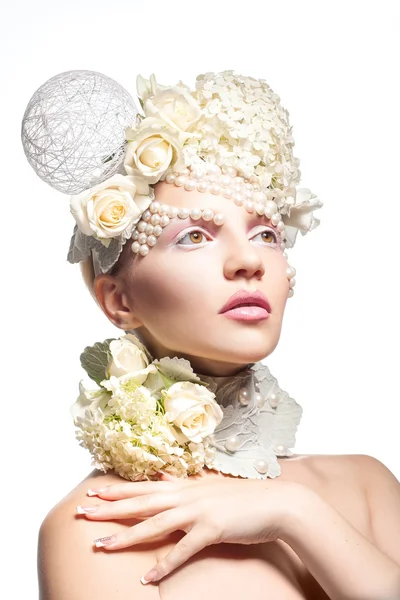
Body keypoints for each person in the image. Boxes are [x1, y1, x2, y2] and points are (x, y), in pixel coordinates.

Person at [22, 70, 400, 600]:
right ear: (119, 300)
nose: (248, 260)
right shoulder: (101, 525)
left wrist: (295, 512)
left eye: (265, 233)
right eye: (194, 236)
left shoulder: (367, 486)